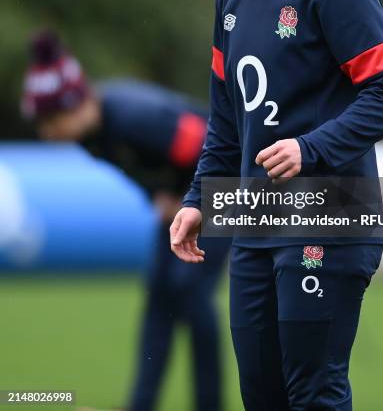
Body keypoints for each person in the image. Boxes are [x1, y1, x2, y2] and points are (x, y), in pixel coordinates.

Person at [170, 0, 383, 410]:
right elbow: (227, 118)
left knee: (314, 394)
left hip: (329, 214)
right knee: (261, 394)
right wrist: (198, 197)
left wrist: (310, 147)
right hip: (253, 217)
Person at [21, 31, 230, 411]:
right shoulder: (89, 136)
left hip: (223, 191)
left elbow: (211, 147)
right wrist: (159, 196)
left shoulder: (136, 118)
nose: (47, 133)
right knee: (159, 296)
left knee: (191, 291)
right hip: (183, 201)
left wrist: (189, 197)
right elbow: (144, 170)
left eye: (52, 120)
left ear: (78, 104)